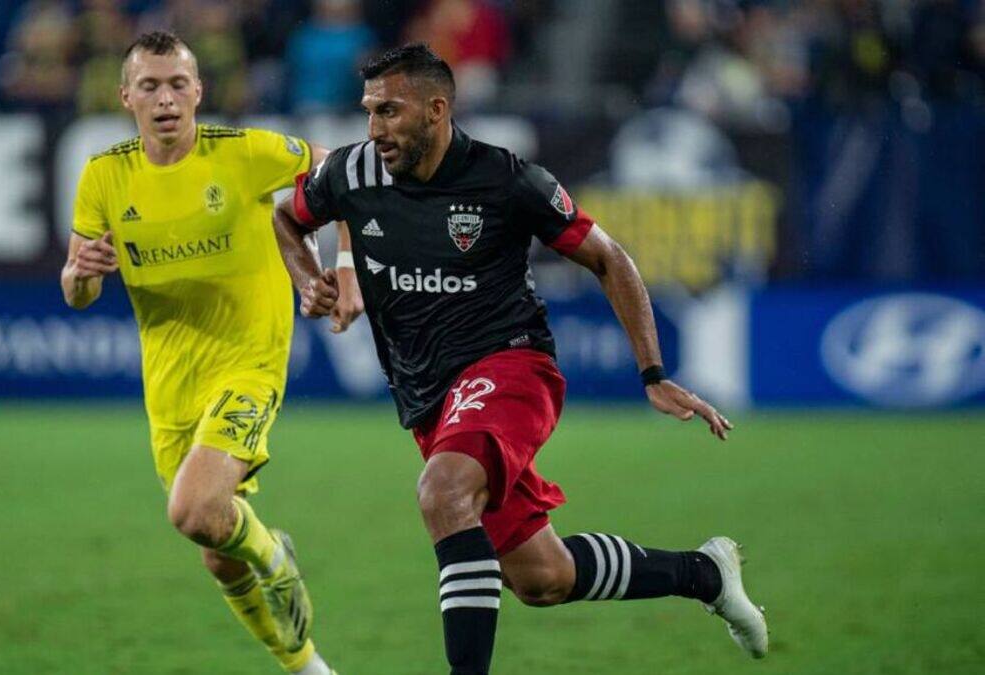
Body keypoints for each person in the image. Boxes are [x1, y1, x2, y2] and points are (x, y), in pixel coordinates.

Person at [273, 43, 768, 674]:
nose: (374, 129)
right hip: (430, 398)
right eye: (369, 111)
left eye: (389, 111)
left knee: (443, 492)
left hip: (511, 367)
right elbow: (286, 218)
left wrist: (653, 374)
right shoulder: (352, 172)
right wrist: (307, 277)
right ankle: (703, 574)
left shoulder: (506, 179)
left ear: (436, 109)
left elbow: (609, 257)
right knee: (542, 577)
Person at [62, 31, 359, 675]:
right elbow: (76, 291)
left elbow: (347, 170)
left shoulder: (244, 152)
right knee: (216, 546)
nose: (165, 99)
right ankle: (310, 667)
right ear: (126, 97)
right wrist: (82, 273)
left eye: (177, 84)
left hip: (249, 361)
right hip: (170, 381)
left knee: (193, 509)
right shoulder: (104, 175)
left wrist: (345, 264)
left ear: (198, 90)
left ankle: (276, 559)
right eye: (149, 86)